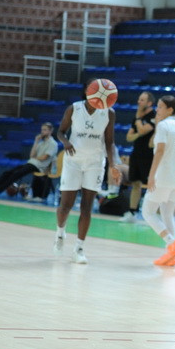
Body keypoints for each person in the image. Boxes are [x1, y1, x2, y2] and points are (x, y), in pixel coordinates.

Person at [53, 83, 120, 264]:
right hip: (73, 161)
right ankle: (60, 233)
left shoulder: (109, 113)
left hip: (95, 162)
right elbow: (60, 132)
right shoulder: (74, 108)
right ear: (87, 92)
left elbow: (110, 142)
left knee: (87, 207)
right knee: (66, 205)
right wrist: (65, 142)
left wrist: (113, 165)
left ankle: (79, 248)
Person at [141, 95, 175, 267]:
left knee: (147, 212)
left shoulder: (163, 125)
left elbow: (160, 151)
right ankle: (171, 255)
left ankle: (171, 242)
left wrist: (151, 175)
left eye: (160, 107)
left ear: (170, 109)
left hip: (163, 176)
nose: (157, 109)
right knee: (168, 214)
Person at [122, 91, 156, 222]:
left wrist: (138, 123)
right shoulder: (137, 118)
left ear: (149, 103)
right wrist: (139, 131)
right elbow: (129, 137)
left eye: (142, 100)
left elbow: (142, 130)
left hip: (149, 156)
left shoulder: (153, 116)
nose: (138, 102)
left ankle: (152, 215)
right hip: (136, 154)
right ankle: (132, 212)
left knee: (151, 185)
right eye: (139, 99)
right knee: (135, 183)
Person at [0, 122, 58, 195]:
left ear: (50, 131)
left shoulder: (53, 144)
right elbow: (31, 155)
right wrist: (36, 141)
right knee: (8, 172)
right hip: (32, 163)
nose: (42, 132)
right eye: (42, 130)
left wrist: (35, 158)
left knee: (17, 173)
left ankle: (0, 189)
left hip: (40, 166)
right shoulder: (41, 143)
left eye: (45, 130)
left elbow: (44, 157)